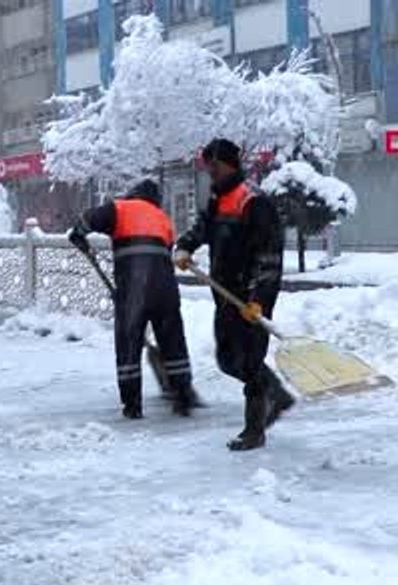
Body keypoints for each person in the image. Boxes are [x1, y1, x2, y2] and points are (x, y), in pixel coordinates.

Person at [175, 139, 294, 451]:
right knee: (228, 360)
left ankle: (254, 430)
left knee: (251, 363)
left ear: (229, 164)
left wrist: (260, 300)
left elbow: (269, 257)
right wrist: (185, 246)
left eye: (214, 166)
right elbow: (203, 227)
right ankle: (277, 394)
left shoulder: (254, 201)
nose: (210, 172)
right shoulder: (219, 198)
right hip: (225, 295)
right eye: (208, 167)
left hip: (250, 298)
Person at [68, 179, 198, 419]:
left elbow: (87, 220)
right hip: (165, 290)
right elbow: (164, 250)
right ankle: (183, 395)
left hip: (134, 290)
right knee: (172, 341)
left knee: (128, 345)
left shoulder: (119, 208)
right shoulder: (163, 218)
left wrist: (78, 234)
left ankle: (132, 405)